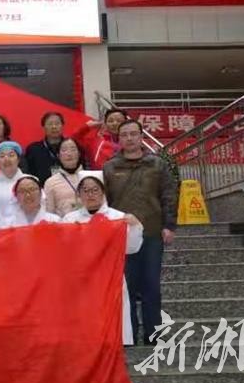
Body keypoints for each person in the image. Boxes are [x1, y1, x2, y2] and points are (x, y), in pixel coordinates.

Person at [103, 119, 177, 346]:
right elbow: (105, 202)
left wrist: (169, 225)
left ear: (141, 136)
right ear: (118, 139)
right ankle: (129, 335)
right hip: (121, 236)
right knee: (127, 288)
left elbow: (169, 194)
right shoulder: (110, 167)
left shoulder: (157, 164)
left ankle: (153, 334)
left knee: (151, 286)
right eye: (124, 135)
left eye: (133, 134)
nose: (129, 138)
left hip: (152, 232)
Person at [62, 172, 143, 346]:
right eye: (85, 191)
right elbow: (64, 251)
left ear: (103, 192)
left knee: (113, 324)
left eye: (95, 190)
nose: (90, 195)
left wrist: (135, 226)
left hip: (110, 279)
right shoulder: (70, 219)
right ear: (79, 194)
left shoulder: (118, 217)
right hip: (82, 280)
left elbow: (132, 248)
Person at [43, 137, 85, 217]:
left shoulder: (89, 176)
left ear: (79, 154)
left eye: (73, 149)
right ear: (58, 155)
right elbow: (49, 214)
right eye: (64, 150)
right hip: (64, 223)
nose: (69, 154)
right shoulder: (50, 182)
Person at [24, 112, 65, 186]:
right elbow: (28, 174)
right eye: (50, 124)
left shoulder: (72, 147)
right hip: (41, 189)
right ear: (43, 127)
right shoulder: (33, 149)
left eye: (57, 123)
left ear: (62, 126)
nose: (54, 127)